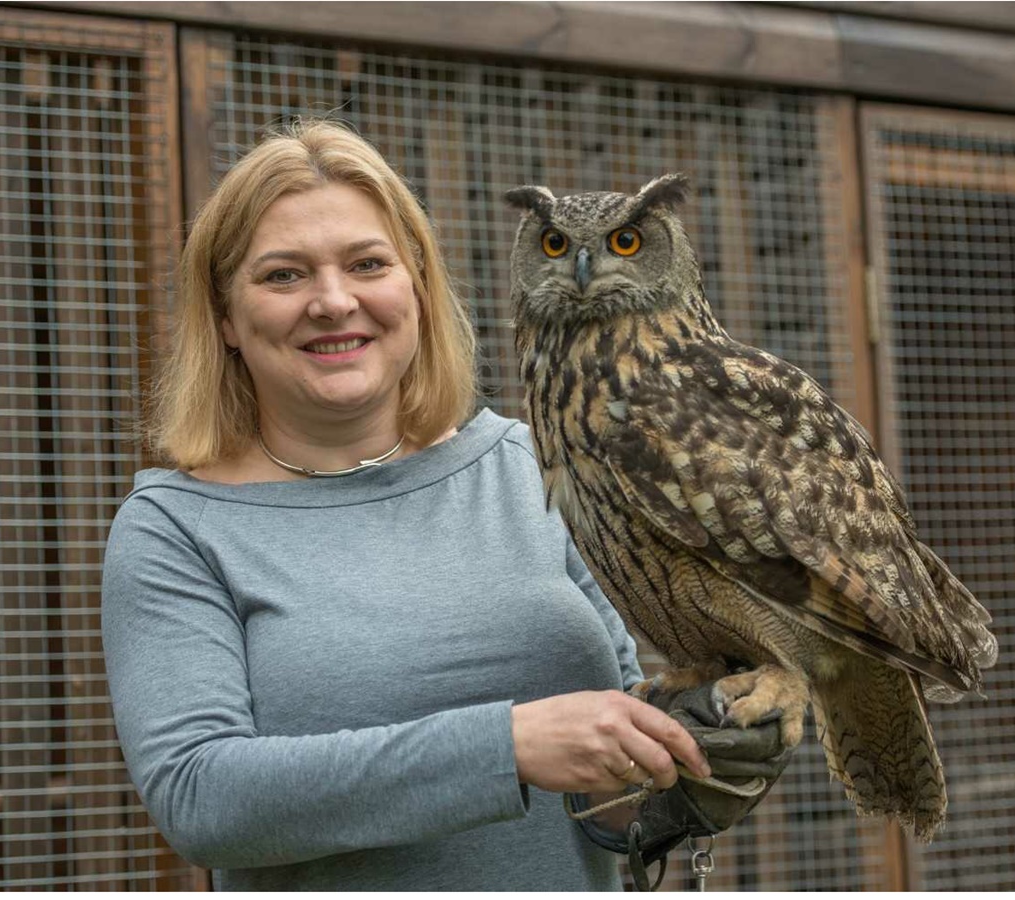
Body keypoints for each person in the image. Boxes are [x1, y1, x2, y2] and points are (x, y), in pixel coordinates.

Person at [100, 120, 773, 891]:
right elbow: (202, 799)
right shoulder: (178, 527)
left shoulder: (532, 467)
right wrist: (505, 747)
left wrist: (687, 761)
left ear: (415, 287)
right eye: (284, 275)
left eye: (367, 264)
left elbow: (603, 792)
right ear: (225, 316)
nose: (333, 300)